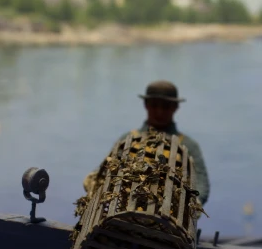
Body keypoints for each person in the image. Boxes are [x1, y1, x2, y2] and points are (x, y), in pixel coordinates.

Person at [82, 80, 210, 205]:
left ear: (175, 107)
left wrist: (195, 202)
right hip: (124, 210)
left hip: (167, 216)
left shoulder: (187, 145)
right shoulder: (129, 138)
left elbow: (201, 182)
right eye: (154, 105)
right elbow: (106, 169)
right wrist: (93, 180)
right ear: (146, 104)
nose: (159, 111)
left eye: (165, 106)